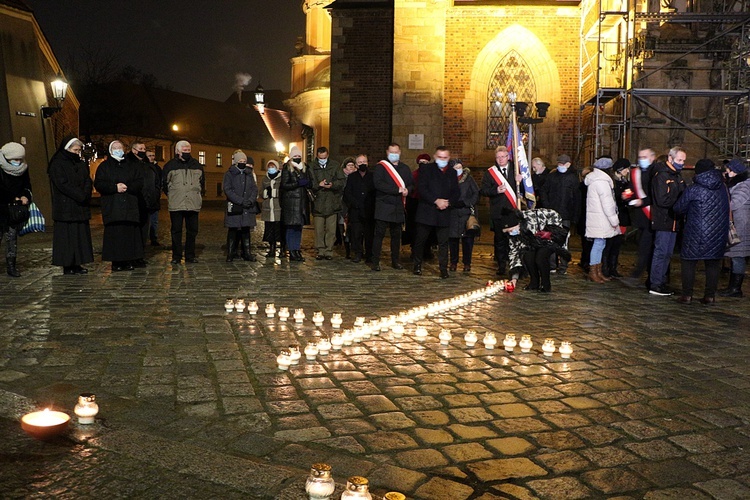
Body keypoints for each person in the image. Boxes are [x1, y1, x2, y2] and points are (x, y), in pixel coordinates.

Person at [673, 159, 730, 304]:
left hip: (695, 232)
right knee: (712, 264)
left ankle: (687, 295)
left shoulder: (694, 189)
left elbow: (679, 208)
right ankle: (709, 296)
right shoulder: (723, 187)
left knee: (689, 262)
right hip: (718, 232)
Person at [94, 140, 145, 272]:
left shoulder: (131, 165)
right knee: (115, 235)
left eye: (120, 147)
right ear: (111, 151)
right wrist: (114, 188)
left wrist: (128, 187)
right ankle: (116, 262)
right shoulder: (104, 166)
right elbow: (99, 184)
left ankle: (128, 260)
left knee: (129, 235)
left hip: (129, 205)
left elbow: (139, 181)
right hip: (113, 206)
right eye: (115, 148)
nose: (118, 150)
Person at [412, 146, 460, 278]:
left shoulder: (451, 172)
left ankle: (443, 269)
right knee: (421, 240)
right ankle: (417, 265)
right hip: (427, 210)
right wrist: (435, 200)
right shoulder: (426, 170)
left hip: (444, 212)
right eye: (440, 157)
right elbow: (422, 188)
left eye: (445, 157)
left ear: (449, 158)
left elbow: (456, 192)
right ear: (435, 157)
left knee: (443, 242)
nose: (442, 159)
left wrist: (448, 203)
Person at [48, 137, 93, 275]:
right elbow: (62, 184)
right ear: (67, 149)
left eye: (79, 150)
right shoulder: (57, 164)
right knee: (67, 237)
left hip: (80, 206)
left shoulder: (81, 163)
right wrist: (79, 195)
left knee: (79, 236)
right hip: (65, 206)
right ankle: (68, 264)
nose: (77, 153)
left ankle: (78, 263)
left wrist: (85, 193)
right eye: (75, 150)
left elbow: (87, 180)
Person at [501, 208, 569, 293]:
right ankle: (534, 282)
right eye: (508, 232)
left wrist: (550, 232)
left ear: (518, 224)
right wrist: (514, 278)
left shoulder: (530, 220)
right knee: (528, 256)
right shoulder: (513, 236)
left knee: (540, 257)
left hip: (548, 237)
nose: (511, 233)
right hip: (532, 243)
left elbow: (554, 224)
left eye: (511, 230)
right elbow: (514, 253)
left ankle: (546, 284)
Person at [649, 146, 687, 296]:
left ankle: (662, 280)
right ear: (670, 159)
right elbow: (662, 199)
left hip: (674, 220)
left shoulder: (677, 175)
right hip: (664, 219)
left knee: (667, 253)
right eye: (679, 160)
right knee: (661, 252)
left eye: (683, 160)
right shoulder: (662, 175)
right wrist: (680, 200)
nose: (682, 163)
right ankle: (656, 283)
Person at [371, 143, 414, 271]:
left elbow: (411, 184)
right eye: (391, 152)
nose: (394, 154)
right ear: (387, 152)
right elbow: (378, 184)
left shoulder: (405, 168)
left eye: (396, 152)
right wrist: (397, 190)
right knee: (379, 235)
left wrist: (408, 190)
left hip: (398, 207)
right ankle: (375, 262)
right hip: (384, 205)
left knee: (396, 236)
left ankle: (396, 261)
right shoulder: (380, 168)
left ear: (400, 152)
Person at [481, 146, 522, 276]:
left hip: (512, 212)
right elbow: (484, 190)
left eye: (503, 156)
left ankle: (514, 265)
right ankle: (501, 265)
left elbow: (528, 189)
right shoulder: (490, 172)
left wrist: (521, 182)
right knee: (499, 240)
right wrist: (496, 191)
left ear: (508, 157)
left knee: (514, 240)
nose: (501, 159)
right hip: (498, 212)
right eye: (498, 157)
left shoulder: (516, 170)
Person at [163, 140, 205, 264]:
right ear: (177, 151)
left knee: (192, 231)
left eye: (188, 150)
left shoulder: (197, 165)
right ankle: (176, 256)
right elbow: (164, 184)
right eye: (184, 150)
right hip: (176, 203)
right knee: (176, 231)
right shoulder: (170, 165)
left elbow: (202, 183)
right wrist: (172, 194)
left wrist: (197, 195)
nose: (186, 152)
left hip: (193, 203)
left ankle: (190, 255)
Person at [538, 154, 580, 274]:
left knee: (564, 242)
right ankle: (552, 265)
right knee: (551, 240)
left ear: (568, 164)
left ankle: (563, 266)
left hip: (566, 214)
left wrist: (575, 216)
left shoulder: (572, 178)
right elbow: (544, 190)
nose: (561, 166)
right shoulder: (552, 176)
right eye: (559, 164)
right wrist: (547, 205)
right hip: (552, 213)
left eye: (563, 164)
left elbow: (577, 198)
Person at [584, 157, 620, 283]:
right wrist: (614, 221)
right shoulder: (602, 182)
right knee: (598, 244)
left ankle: (597, 271)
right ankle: (593, 272)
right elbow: (608, 205)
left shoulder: (595, 180)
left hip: (598, 218)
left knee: (600, 244)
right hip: (601, 218)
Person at [624, 147, 656, 286]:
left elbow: (655, 195)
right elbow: (631, 188)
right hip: (640, 217)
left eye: (644, 157)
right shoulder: (635, 173)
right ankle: (642, 274)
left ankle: (641, 275)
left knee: (646, 247)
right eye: (640, 157)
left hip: (652, 215)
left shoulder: (655, 172)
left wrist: (643, 201)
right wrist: (627, 195)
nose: (641, 159)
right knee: (643, 246)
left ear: (652, 157)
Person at [0, 142, 32, 277]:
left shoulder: (24, 169)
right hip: (2, 208)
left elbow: (27, 185)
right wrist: (14, 198)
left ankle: (11, 266)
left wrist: (26, 196)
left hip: (14, 211)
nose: (18, 162)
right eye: (14, 160)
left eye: (19, 159)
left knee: (12, 239)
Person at [308, 146, 345, 260]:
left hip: (332, 201)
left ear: (327, 155)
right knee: (319, 229)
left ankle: (329, 250)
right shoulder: (312, 167)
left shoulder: (335, 165)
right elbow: (309, 183)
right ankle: (320, 250)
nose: (322, 159)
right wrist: (318, 185)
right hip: (318, 201)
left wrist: (332, 185)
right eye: (320, 158)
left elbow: (342, 181)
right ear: (317, 157)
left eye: (324, 157)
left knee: (331, 229)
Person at [720, 158, 749, 297]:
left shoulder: (743, 185)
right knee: (735, 256)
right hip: (737, 223)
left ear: (734, 172)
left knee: (738, 256)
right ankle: (733, 287)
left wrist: (720, 203)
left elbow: (735, 203)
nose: (726, 172)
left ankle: (735, 288)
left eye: (728, 170)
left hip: (741, 225)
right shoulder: (738, 184)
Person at [126, 141, 159, 266]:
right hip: (134, 202)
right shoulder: (128, 163)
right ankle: (131, 256)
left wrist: (155, 195)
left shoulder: (147, 165)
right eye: (140, 148)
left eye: (144, 148)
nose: (143, 150)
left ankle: (139, 256)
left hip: (147, 202)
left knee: (143, 232)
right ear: (133, 150)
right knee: (133, 231)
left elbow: (155, 181)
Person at [223, 151, 258, 262]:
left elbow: (254, 189)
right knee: (233, 229)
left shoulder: (249, 174)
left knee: (246, 230)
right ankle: (230, 253)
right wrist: (240, 201)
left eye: (244, 161)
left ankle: (247, 253)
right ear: (235, 162)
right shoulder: (229, 174)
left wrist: (250, 200)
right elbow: (227, 190)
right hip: (235, 206)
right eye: (240, 161)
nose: (242, 163)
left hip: (247, 206)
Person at [601, 158, 632, 278]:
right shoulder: (611, 183)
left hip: (622, 216)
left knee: (617, 244)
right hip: (612, 215)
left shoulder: (625, 182)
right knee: (609, 244)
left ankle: (613, 267)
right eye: (626, 169)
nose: (628, 171)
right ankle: (605, 268)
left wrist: (628, 197)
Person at [280, 145, 311, 262]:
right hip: (291, 203)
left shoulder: (305, 167)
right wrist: (298, 183)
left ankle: (297, 249)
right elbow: (284, 185)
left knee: (299, 228)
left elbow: (310, 182)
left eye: (299, 156)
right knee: (291, 227)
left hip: (302, 203)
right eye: (295, 156)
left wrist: (308, 183)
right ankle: (292, 250)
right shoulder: (287, 168)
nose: (297, 158)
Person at [448, 160, 480, 273]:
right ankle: (453, 262)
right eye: (456, 168)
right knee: (453, 240)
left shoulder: (469, 179)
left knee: (467, 240)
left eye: (460, 167)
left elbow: (476, 193)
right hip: (452, 213)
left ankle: (467, 263)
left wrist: (466, 202)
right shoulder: (448, 179)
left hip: (466, 213)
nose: (458, 169)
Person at [343, 154, 375, 264]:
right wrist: (355, 204)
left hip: (369, 210)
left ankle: (369, 254)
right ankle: (358, 253)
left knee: (369, 234)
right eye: (360, 162)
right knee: (356, 234)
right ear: (356, 164)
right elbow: (347, 193)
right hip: (356, 210)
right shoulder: (352, 177)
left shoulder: (372, 176)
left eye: (364, 162)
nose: (362, 164)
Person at [260, 159, 283, 259]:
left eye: (273, 167)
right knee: (269, 231)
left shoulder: (281, 178)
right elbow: (260, 191)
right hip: (268, 209)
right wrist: (265, 193)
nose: (271, 169)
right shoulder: (265, 178)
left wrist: (274, 193)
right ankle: (272, 248)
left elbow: (283, 192)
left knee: (280, 230)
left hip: (278, 208)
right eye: (269, 167)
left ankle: (282, 249)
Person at [145, 149, 163, 246]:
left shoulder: (158, 168)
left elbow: (159, 183)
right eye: (149, 155)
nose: (151, 157)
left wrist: (157, 194)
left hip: (155, 199)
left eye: (153, 155)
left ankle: (153, 238)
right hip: (145, 199)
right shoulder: (143, 167)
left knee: (154, 221)